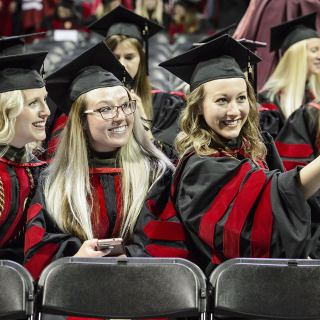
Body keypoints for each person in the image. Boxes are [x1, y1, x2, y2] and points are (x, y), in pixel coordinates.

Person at [23, 42, 187, 281]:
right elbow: (38, 252)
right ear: (80, 121)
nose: (120, 116)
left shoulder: (156, 174)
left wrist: (122, 260)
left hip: (144, 293)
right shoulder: (54, 182)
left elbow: (170, 246)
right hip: (77, 294)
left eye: (125, 105)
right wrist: (75, 258)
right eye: (105, 109)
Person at [160, 34, 320, 273]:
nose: (234, 111)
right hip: (232, 298)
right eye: (222, 101)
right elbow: (269, 210)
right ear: (199, 108)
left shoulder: (249, 150)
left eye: (241, 98)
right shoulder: (199, 168)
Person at [88, 5, 185, 146]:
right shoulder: (91, 103)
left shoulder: (165, 105)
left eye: (129, 57)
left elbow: (169, 161)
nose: (122, 64)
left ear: (141, 59)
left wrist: (142, 120)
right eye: (115, 57)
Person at [0, 51, 50, 263]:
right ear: (6, 110)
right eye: (33, 103)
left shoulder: (38, 172)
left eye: (45, 100)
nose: (46, 111)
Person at [259, 12, 320, 139]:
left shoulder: (312, 93)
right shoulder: (271, 98)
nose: (319, 56)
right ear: (296, 56)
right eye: (314, 50)